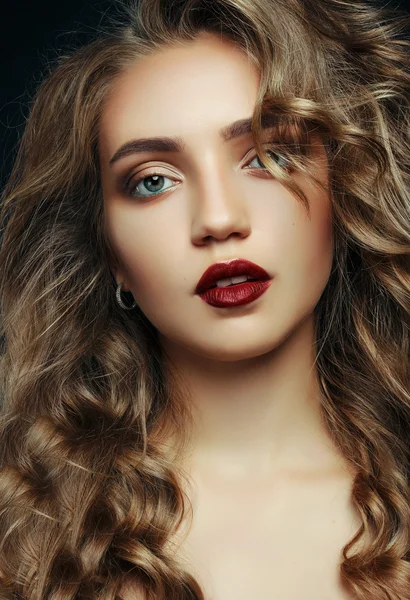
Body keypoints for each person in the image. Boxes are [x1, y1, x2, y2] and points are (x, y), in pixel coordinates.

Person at [1, 0, 410, 598]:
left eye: (266, 157)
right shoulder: (20, 539)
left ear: (343, 190)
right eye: (153, 181)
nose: (218, 219)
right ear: (111, 249)